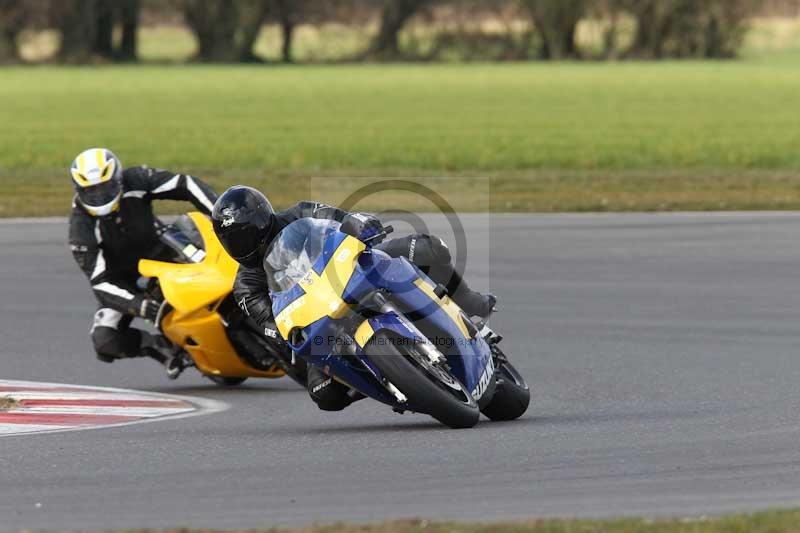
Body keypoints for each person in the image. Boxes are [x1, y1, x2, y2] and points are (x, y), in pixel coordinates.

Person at [211, 185, 496, 411]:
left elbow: (340, 219)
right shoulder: (246, 285)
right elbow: (268, 322)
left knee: (427, 249)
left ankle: (469, 305)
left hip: (355, 271)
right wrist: (281, 333)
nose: (241, 245)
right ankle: (392, 379)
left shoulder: (300, 213)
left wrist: (360, 225)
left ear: (261, 219)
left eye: (244, 234)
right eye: (232, 240)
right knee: (325, 396)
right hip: (321, 321)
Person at [68, 148, 218, 377]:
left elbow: (185, 184)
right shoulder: (81, 229)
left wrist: (219, 212)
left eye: (104, 187)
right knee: (105, 340)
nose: (99, 196)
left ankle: (255, 297)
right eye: (90, 191)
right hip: (123, 279)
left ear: (117, 179)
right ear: (79, 191)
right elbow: (100, 282)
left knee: (218, 257)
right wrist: (138, 305)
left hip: (163, 249)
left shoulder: (135, 179)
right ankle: (163, 348)